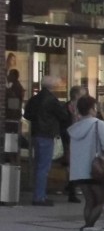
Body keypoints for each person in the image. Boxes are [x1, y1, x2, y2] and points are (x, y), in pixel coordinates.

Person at [67, 96, 104, 231]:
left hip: (79, 170)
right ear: (92, 108)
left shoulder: (74, 128)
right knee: (101, 201)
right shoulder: (97, 124)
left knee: (89, 201)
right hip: (96, 168)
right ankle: (87, 229)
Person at [23, 76, 72, 206]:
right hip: (46, 134)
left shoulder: (35, 99)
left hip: (36, 133)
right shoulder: (52, 100)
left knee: (39, 165)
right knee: (44, 167)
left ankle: (40, 194)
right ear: (53, 87)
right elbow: (63, 115)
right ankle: (39, 197)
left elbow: (27, 114)